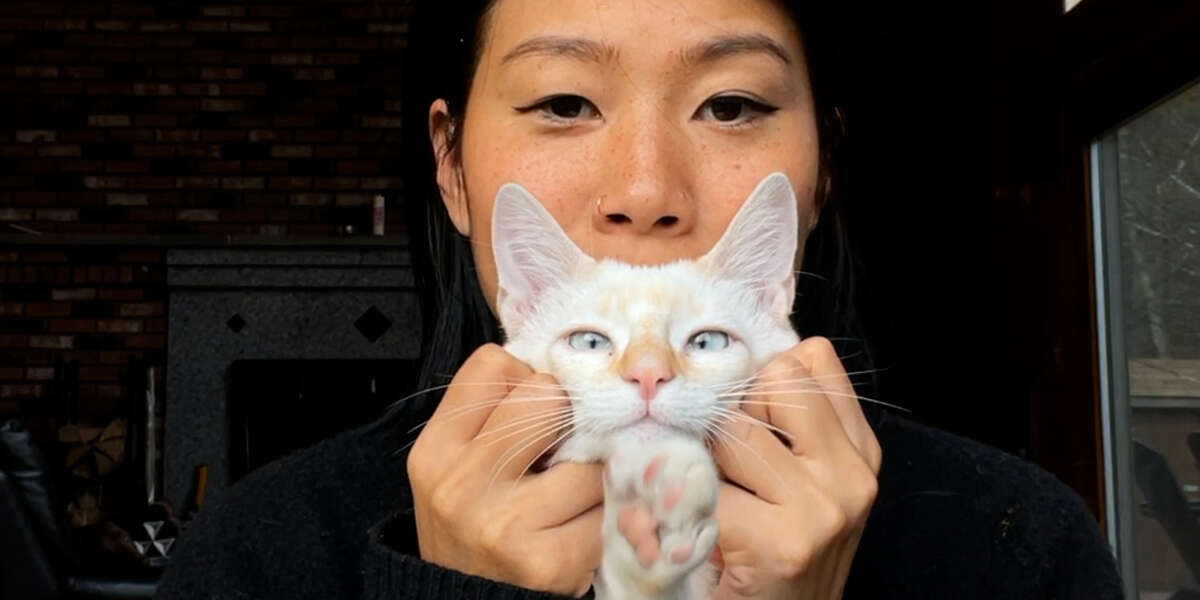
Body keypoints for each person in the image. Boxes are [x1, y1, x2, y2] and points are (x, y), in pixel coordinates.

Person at [155, 0, 1125, 598]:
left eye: (732, 104)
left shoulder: (1020, 550)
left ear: (822, 171)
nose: (648, 191)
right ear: (452, 169)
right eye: (565, 103)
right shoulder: (257, 559)